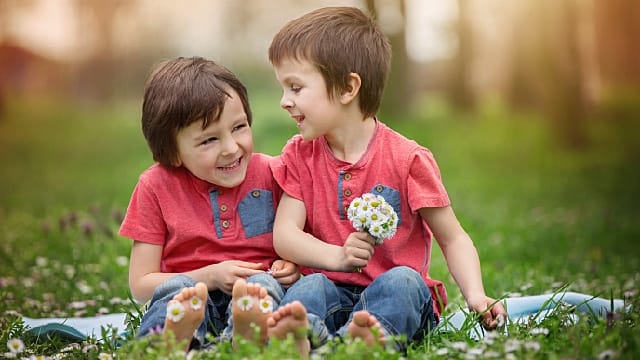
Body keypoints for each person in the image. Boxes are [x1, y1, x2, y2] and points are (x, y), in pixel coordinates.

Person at [267, 6, 507, 353]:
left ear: (348, 87)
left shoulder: (407, 159)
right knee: (310, 287)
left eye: (295, 87)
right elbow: (285, 235)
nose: (284, 102)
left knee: (404, 283)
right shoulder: (300, 155)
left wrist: (476, 294)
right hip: (333, 293)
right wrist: (338, 258)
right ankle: (308, 338)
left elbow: (452, 238)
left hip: (397, 299)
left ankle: (360, 343)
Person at [119, 56, 301, 351]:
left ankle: (246, 339)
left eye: (239, 127)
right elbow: (141, 284)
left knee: (263, 290)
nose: (231, 148)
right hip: (190, 297)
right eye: (208, 141)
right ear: (173, 152)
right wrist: (211, 276)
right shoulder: (155, 187)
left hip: (256, 290)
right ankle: (168, 343)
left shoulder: (273, 173)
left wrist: (291, 266)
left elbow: (298, 238)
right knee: (176, 295)